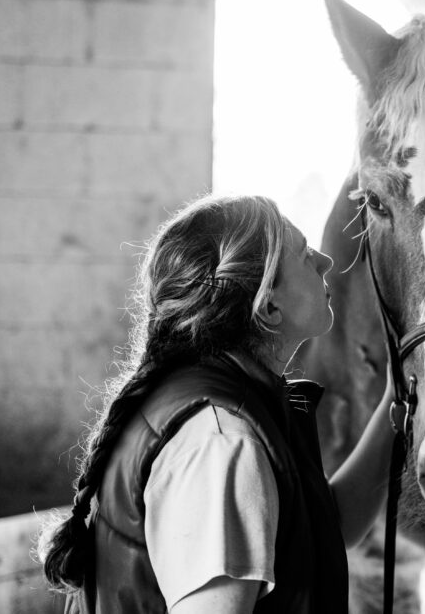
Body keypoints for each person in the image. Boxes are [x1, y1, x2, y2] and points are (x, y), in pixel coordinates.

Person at [38, 194, 395, 613]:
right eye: (302, 254)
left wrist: (397, 404)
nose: (325, 262)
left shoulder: (227, 401)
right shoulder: (222, 442)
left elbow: (320, 529)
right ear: (269, 306)